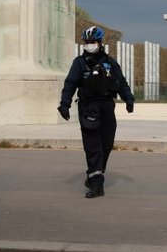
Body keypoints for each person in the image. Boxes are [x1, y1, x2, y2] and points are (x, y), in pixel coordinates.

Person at [58, 26, 135, 198]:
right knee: (93, 145)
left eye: (92, 42)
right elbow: (70, 84)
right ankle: (96, 184)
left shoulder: (110, 63)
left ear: (100, 43)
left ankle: (96, 172)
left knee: (106, 144)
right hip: (88, 107)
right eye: (87, 42)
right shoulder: (79, 63)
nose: (89, 45)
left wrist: (129, 99)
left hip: (107, 107)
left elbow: (121, 82)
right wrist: (65, 104)